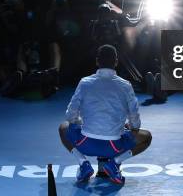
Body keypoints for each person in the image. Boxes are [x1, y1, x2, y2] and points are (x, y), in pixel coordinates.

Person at [58, 45, 152, 185]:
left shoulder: (84, 83)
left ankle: (83, 163)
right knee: (146, 137)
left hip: (85, 144)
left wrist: (82, 123)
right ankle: (115, 163)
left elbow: (70, 116)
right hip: (114, 147)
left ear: (97, 61)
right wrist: (128, 128)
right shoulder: (126, 85)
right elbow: (135, 121)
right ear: (116, 62)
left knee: (63, 127)